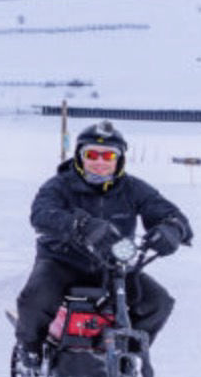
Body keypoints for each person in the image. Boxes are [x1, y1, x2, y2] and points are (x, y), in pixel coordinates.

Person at [12, 120, 190, 360]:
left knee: (158, 302)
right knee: (35, 298)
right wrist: (81, 225)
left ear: (119, 160)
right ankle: (31, 350)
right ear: (80, 156)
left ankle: (127, 354)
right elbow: (41, 214)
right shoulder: (59, 186)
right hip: (62, 261)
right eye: (92, 154)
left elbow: (169, 214)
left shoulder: (134, 189)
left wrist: (172, 230)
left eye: (108, 156)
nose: (99, 161)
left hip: (114, 265)